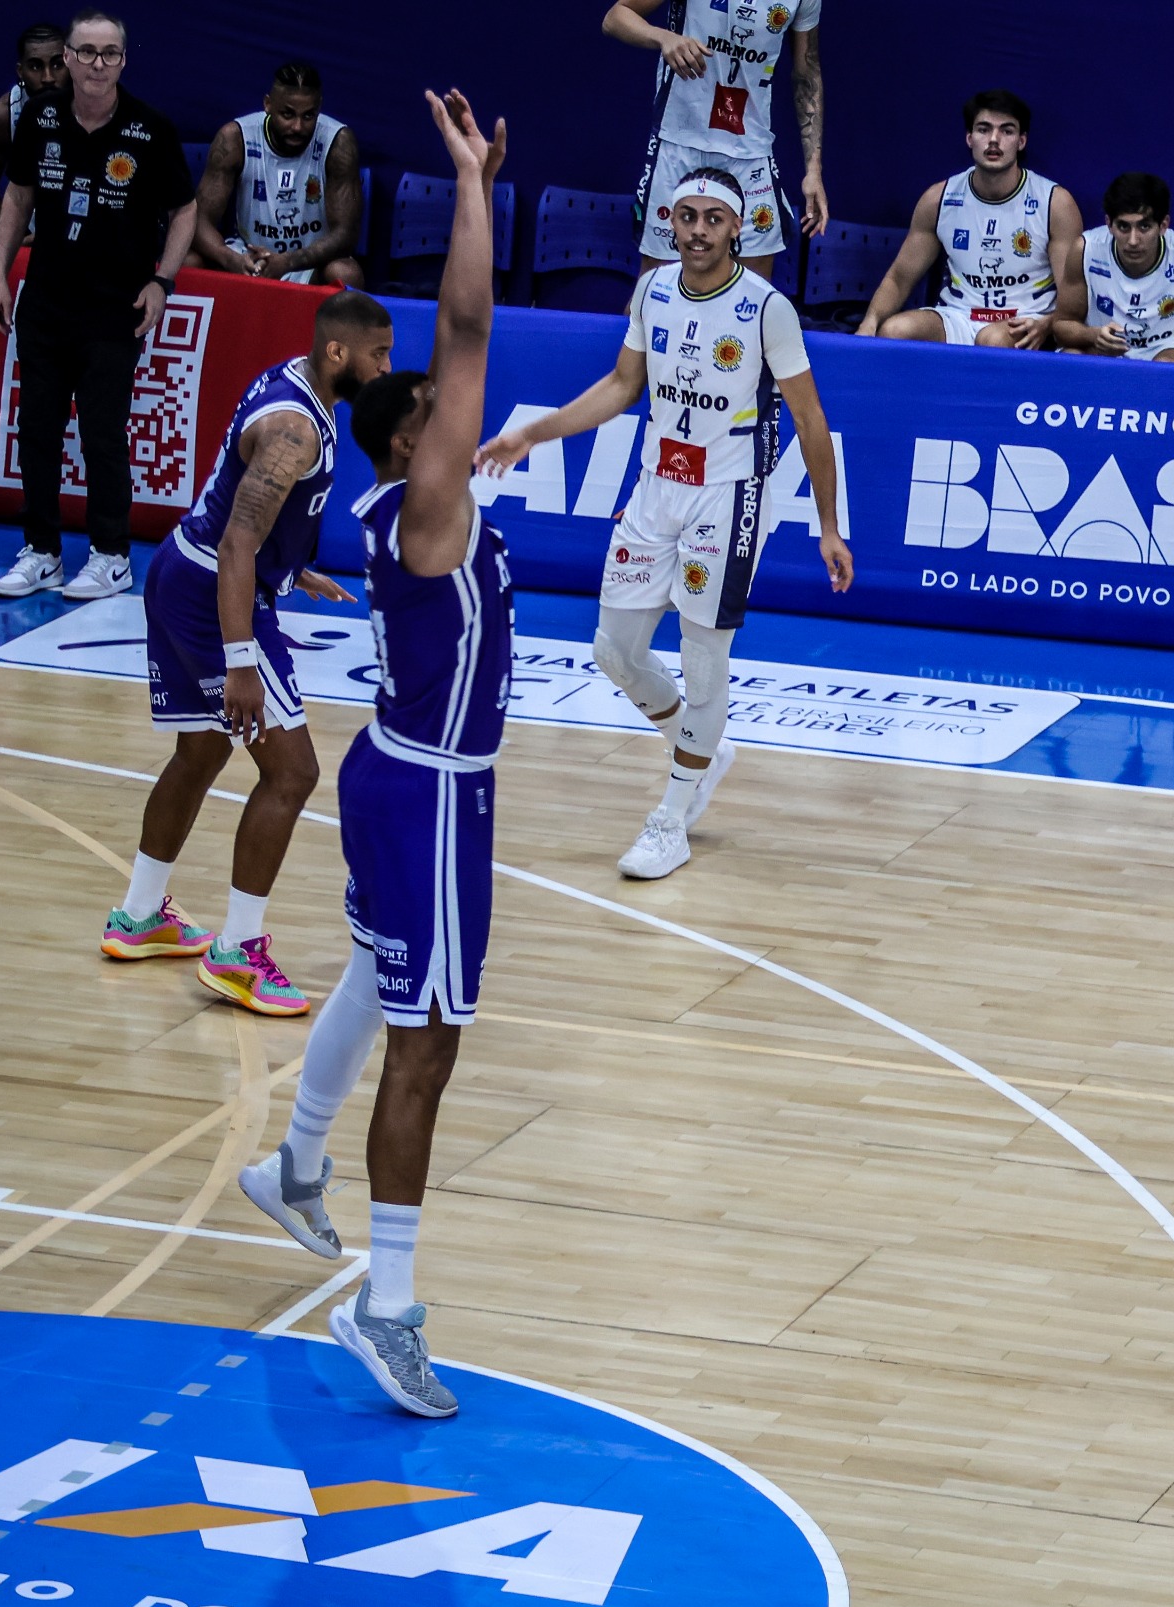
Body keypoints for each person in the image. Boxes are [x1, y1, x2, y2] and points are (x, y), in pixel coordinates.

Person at [239, 88, 512, 1422]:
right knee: (432, 1040)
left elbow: (459, 360)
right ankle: (387, 1304)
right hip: (435, 793)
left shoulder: (402, 502)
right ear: (414, 443)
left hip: (392, 769)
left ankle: (292, 1163)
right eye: (441, 420)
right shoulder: (432, 505)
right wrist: (469, 184)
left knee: (374, 971)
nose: (460, 420)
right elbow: (465, 328)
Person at [475, 168, 854, 880]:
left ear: (738, 227)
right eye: (687, 217)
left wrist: (829, 526)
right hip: (656, 488)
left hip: (729, 494)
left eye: (715, 218)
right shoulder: (652, 290)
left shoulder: (766, 309)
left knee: (704, 658)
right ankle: (700, 745)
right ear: (668, 222)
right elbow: (623, 386)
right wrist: (533, 435)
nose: (700, 230)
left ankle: (671, 815)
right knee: (612, 652)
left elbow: (809, 417)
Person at [103, 286, 394, 1014]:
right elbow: (239, 540)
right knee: (292, 774)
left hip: (181, 569)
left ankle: (139, 917)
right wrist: (240, 661)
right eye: (378, 354)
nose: (386, 368)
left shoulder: (292, 384)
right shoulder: (296, 427)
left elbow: (246, 511)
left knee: (200, 753)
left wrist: (292, 567)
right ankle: (238, 952)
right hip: (213, 592)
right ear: (337, 352)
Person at [0, 9, 197, 602]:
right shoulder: (41, 117)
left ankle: (111, 556)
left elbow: (184, 209)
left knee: (103, 434)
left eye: (110, 53)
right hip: (46, 301)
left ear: (123, 61)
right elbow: (18, 195)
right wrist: (0, 277)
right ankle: (42, 552)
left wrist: (163, 281)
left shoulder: (150, 129)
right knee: (37, 430)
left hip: (115, 307)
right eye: (87, 52)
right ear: (69, 59)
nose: (97, 63)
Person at [607, 0, 825, 278]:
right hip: (679, 144)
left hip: (751, 152)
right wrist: (664, 38)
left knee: (752, 293)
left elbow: (807, 71)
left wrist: (814, 169)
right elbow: (615, 17)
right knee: (657, 290)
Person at [855, 88, 1085, 348]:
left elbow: (1073, 298)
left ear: (1021, 141)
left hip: (1026, 320)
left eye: (1007, 131)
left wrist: (1046, 324)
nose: (994, 140)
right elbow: (899, 278)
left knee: (993, 340)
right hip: (959, 316)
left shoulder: (1054, 202)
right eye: (984, 129)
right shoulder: (939, 199)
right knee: (894, 330)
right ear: (969, 138)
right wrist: (869, 324)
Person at [190, 61, 364, 287]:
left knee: (346, 273)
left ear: (319, 107)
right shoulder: (235, 138)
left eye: (308, 116)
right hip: (247, 256)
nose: (297, 127)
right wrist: (230, 258)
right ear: (268, 104)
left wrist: (288, 261)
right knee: (189, 261)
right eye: (287, 114)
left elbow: (346, 235)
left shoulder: (338, 142)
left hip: (308, 262)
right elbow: (199, 219)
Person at [1053, 172, 1174, 365]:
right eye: (1123, 227)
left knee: (1165, 366)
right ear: (1109, 224)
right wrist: (1093, 336)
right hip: (1105, 350)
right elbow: (1061, 326)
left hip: (1170, 347)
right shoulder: (1086, 250)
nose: (1133, 241)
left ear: (1163, 225)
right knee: (1071, 357)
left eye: (1144, 227)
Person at [0, 23, 68, 240]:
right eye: (35, 66)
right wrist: (16, 238)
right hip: (28, 229)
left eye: (58, 65)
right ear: (20, 71)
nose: (48, 77)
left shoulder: (95, 110)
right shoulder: (4, 115)